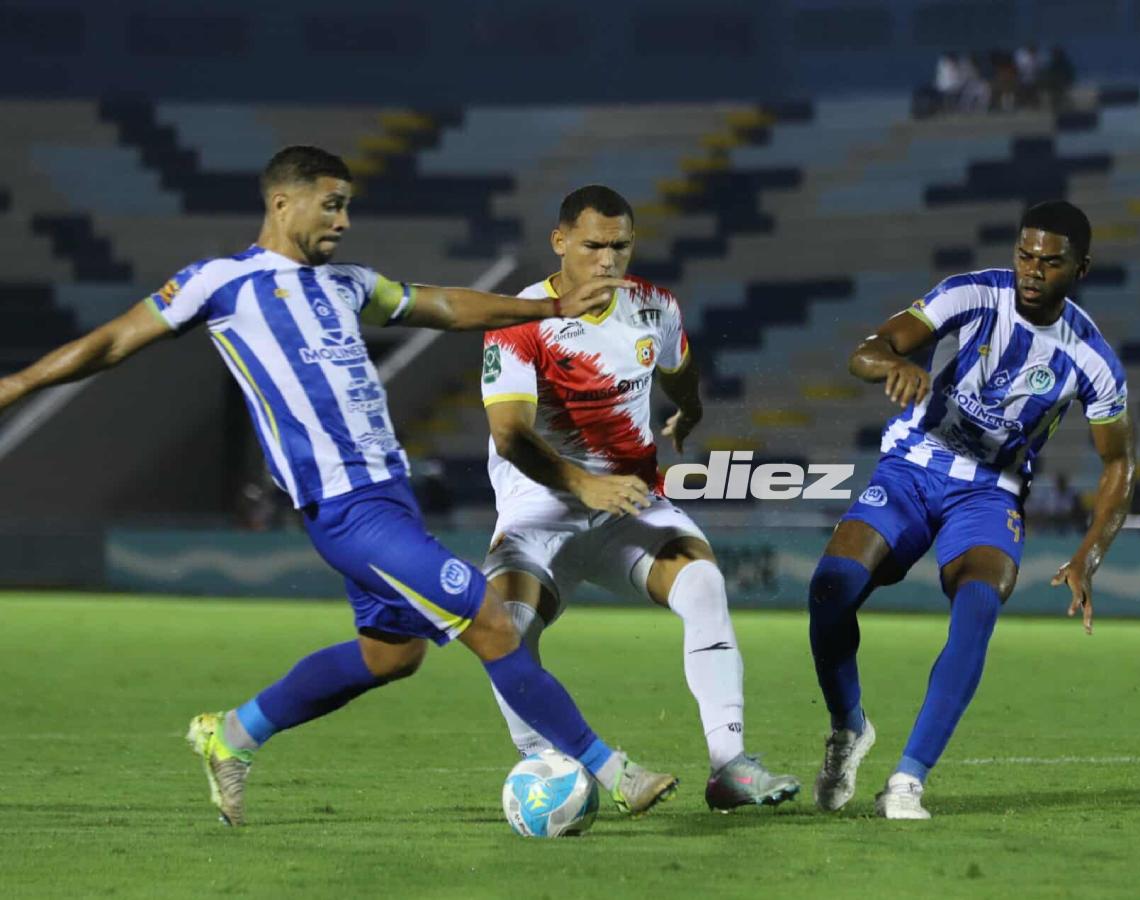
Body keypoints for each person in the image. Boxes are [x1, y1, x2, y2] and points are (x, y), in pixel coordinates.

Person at [0, 146, 679, 826]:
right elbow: (115, 341)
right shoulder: (222, 283)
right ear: (281, 203)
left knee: (391, 655)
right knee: (490, 621)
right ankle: (614, 772)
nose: (344, 219)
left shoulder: (350, 284)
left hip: (390, 496)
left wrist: (550, 304)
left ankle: (231, 734)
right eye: (332, 204)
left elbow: (441, 305)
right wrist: (19, 384)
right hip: (344, 508)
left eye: (348, 204)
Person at [806, 200, 1135, 819]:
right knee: (830, 588)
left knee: (980, 601)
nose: (1032, 271)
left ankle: (907, 780)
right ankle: (848, 726)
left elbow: (1120, 464)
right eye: (1025, 255)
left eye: (1051, 262)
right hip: (911, 466)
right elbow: (868, 349)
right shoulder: (970, 295)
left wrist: (1089, 555)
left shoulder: (1092, 359)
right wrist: (894, 364)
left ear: (1081, 268)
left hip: (990, 491)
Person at [478, 185, 800, 811]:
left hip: (629, 509)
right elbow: (510, 435)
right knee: (504, 626)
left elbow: (680, 367)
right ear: (560, 242)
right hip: (538, 511)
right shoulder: (517, 318)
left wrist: (690, 409)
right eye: (593, 245)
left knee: (704, 583)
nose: (607, 259)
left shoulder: (654, 307)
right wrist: (583, 483)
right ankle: (547, 765)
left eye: (620, 245)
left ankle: (730, 767)